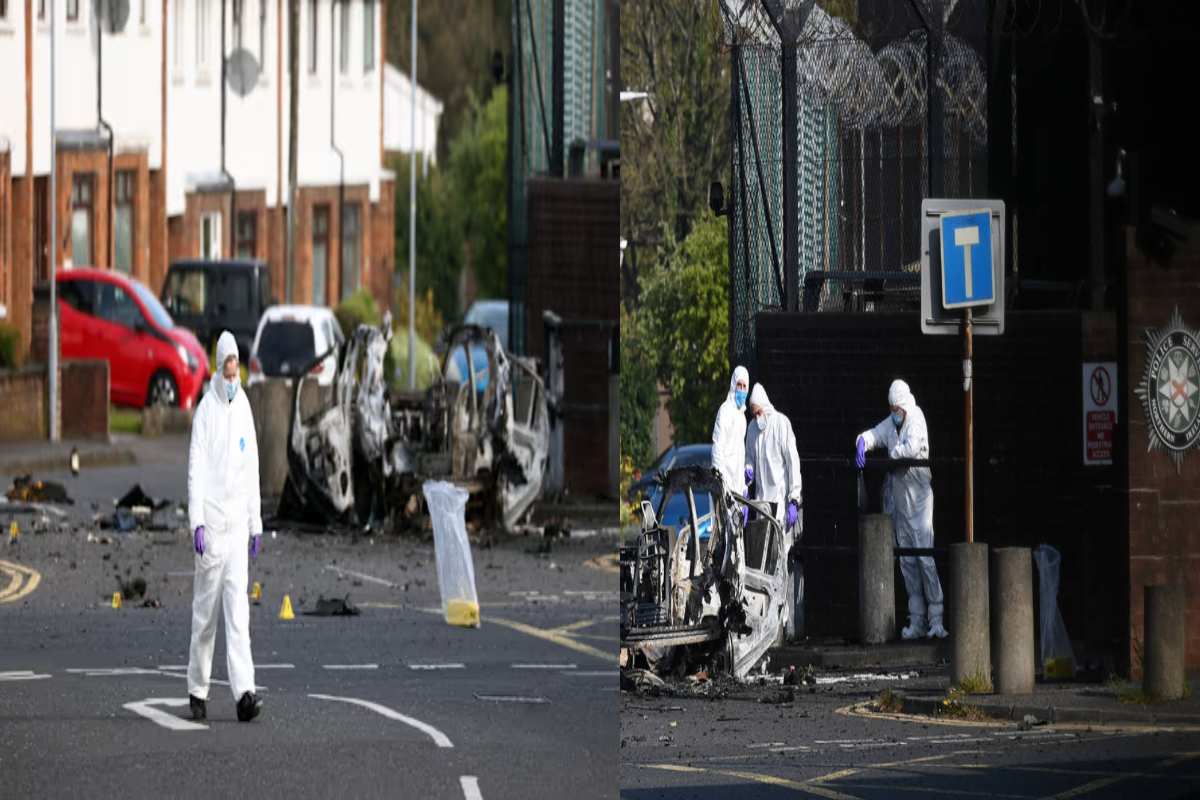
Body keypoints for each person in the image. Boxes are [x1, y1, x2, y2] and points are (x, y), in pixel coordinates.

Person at [187, 331, 265, 722]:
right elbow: (195, 471)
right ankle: (197, 689)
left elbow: (252, 469)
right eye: (228, 371)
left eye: (237, 371)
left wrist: (256, 524)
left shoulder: (245, 408)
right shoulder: (206, 412)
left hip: (237, 532)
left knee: (238, 615)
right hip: (213, 526)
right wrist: (196, 522)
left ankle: (244, 695)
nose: (233, 379)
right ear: (219, 368)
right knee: (205, 615)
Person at [855, 379, 947, 640]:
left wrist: (890, 452)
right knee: (907, 561)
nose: (894, 413)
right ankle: (917, 619)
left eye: (897, 409)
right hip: (902, 505)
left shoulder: (916, 418)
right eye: (892, 409)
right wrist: (862, 441)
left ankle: (936, 618)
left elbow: (911, 449)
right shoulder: (892, 424)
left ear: (904, 406)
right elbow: (875, 434)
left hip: (919, 502)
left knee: (925, 559)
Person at [743, 384, 804, 641]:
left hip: (780, 508)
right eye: (754, 414)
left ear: (765, 408)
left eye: (758, 413)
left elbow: (793, 462)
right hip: (762, 509)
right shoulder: (753, 431)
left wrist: (794, 499)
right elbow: (748, 459)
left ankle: (783, 621)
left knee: (780, 566)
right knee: (766, 570)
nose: (757, 418)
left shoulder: (781, 424)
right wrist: (747, 475)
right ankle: (774, 623)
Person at [712, 366, 750, 496]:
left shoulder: (742, 418)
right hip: (724, 487)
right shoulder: (726, 411)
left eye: (744, 386)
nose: (741, 389)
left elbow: (739, 456)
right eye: (739, 385)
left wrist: (744, 487)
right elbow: (718, 450)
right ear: (733, 385)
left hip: (736, 489)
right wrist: (721, 485)